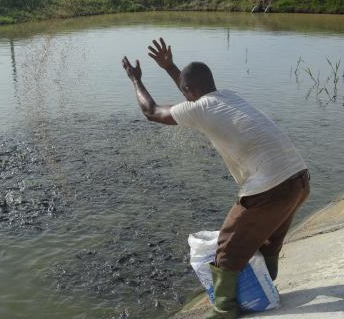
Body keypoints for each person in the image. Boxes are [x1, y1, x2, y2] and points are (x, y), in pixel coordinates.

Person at [121, 38, 310, 319]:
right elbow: (194, 97)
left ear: (189, 91)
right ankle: (263, 293)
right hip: (299, 178)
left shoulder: (199, 108)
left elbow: (152, 112)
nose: (186, 97)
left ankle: (224, 310)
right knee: (269, 242)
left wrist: (135, 80)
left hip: (268, 187)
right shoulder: (227, 96)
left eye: (185, 91)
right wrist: (170, 67)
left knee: (226, 251)